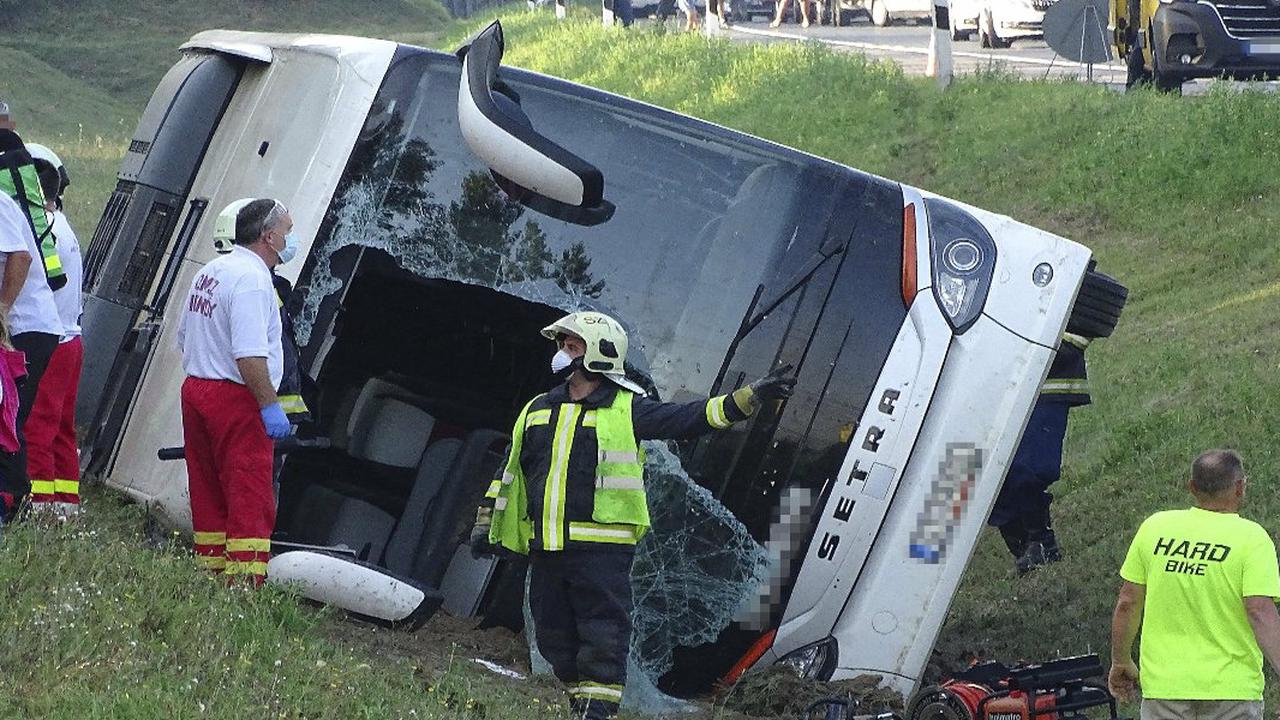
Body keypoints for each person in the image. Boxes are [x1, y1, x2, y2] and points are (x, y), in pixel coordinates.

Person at [472, 311, 796, 720]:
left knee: (603, 636)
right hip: (547, 546)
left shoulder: (628, 409)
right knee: (553, 635)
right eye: (561, 345)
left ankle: (597, 712)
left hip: (602, 552)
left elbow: (694, 418)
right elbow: (511, 472)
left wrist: (749, 397)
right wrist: (486, 523)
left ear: (598, 355)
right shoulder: (538, 409)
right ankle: (581, 702)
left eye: (572, 346)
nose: (561, 354)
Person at [176, 198, 297, 585]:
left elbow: (183, 336)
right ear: (269, 236)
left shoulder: (211, 271)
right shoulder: (253, 280)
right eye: (287, 232)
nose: (289, 240)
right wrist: (268, 406)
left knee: (207, 487)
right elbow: (249, 354)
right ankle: (243, 585)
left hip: (197, 389)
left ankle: (211, 574)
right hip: (236, 397)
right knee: (248, 491)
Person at [1109, 450, 1280, 719]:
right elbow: (1259, 611)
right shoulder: (1252, 539)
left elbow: (1128, 602)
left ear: (1191, 487)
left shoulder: (1155, 528)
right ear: (1240, 487)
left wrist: (1120, 659)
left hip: (1166, 690)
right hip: (1231, 691)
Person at [988, 332, 1090, 574]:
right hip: (990, 380)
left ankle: (1042, 543)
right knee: (990, 477)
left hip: (1046, 378)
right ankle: (1024, 550)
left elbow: (1090, 310)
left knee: (1029, 467)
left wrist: (1060, 343)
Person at [0, 132, 63, 519]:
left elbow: (20, 257)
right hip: (18, 324)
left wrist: (2, 310)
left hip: (26, 325)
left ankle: (11, 502)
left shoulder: (0, 203)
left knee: (9, 416)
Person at [23, 143, 83, 516]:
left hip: (50, 340)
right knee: (61, 426)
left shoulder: (40, 230)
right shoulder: (62, 226)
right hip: (70, 338)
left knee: (36, 426)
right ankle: (66, 504)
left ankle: (40, 505)